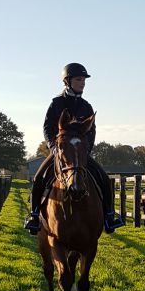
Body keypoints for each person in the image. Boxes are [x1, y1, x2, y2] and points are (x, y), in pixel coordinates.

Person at [24, 63, 124, 235]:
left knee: (103, 178)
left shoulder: (86, 106)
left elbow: (91, 131)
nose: (82, 83)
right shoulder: (56, 103)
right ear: (67, 81)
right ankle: (34, 216)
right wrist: (53, 147)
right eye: (79, 79)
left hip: (80, 153)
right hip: (61, 152)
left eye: (84, 80)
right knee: (39, 177)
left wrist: (86, 150)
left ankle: (109, 216)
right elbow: (47, 128)